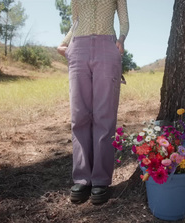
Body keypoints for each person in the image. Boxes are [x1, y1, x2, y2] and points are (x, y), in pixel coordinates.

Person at [57, 0, 129, 205]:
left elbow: (124, 20)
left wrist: (121, 39)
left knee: (104, 116)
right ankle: (81, 179)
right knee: (79, 116)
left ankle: (100, 180)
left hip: (107, 48)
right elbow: (76, 21)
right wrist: (64, 44)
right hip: (78, 48)